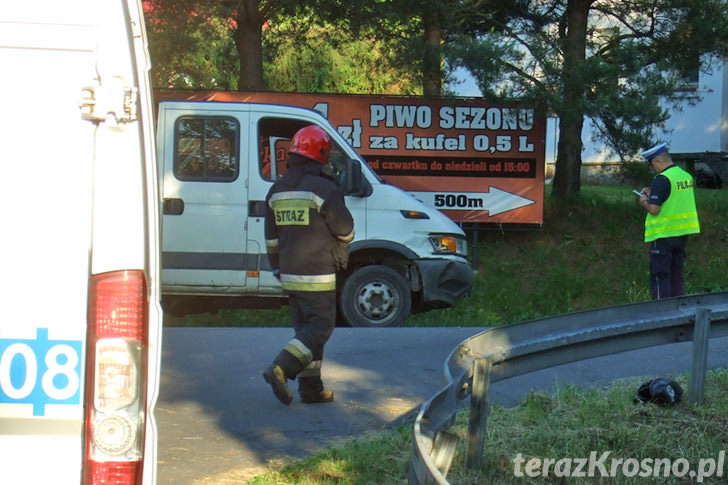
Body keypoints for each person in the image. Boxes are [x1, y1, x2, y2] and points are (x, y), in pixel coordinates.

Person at [262, 125, 355, 405]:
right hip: (317, 274)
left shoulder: (276, 191)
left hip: (289, 273)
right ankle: (281, 368)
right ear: (322, 154)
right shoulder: (324, 188)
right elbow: (345, 229)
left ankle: (311, 389)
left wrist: (277, 267)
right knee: (321, 327)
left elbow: (271, 238)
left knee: (305, 332)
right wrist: (343, 241)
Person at [637, 142, 700, 300]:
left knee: (660, 276)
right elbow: (673, 197)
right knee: (676, 275)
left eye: (653, 164)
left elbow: (654, 209)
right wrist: (654, 192)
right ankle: (680, 310)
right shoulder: (685, 176)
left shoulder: (662, 179)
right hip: (682, 233)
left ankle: (661, 313)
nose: (654, 168)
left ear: (658, 161)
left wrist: (644, 200)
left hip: (663, 234)